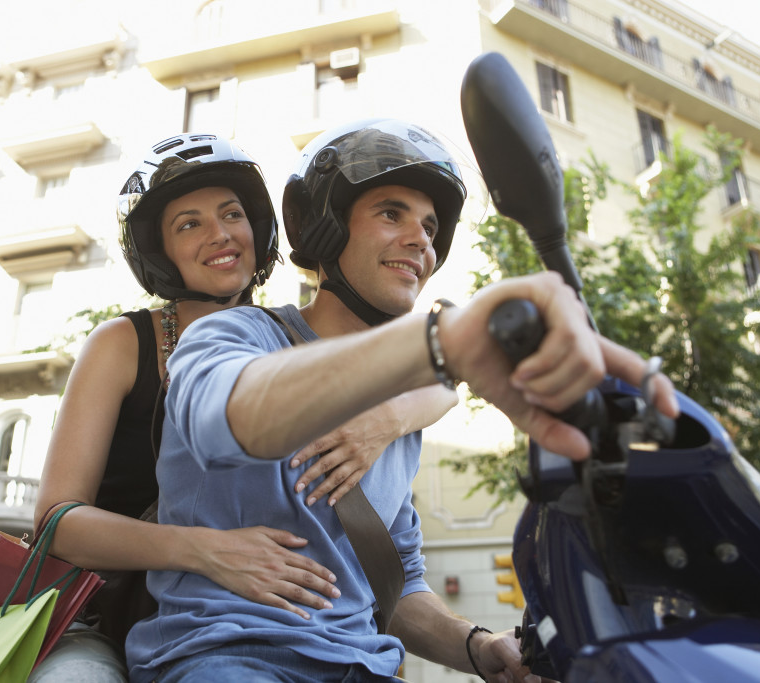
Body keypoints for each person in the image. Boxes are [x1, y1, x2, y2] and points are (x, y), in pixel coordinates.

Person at [124, 118, 680, 683]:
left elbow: (398, 587)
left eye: (431, 226)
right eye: (392, 213)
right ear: (326, 228)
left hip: (365, 667)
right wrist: (440, 344)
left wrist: (482, 649)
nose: (422, 240)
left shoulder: (400, 414)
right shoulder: (233, 335)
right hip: (230, 657)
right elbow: (230, 418)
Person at [31, 132, 456, 681]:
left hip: (263, 612)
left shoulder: (277, 336)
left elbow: (432, 375)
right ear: (158, 251)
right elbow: (55, 522)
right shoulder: (124, 342)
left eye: (232, 214)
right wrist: (202, 550)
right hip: (123, 610)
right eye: (189, 224)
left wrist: (400, 412)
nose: (220, 234)